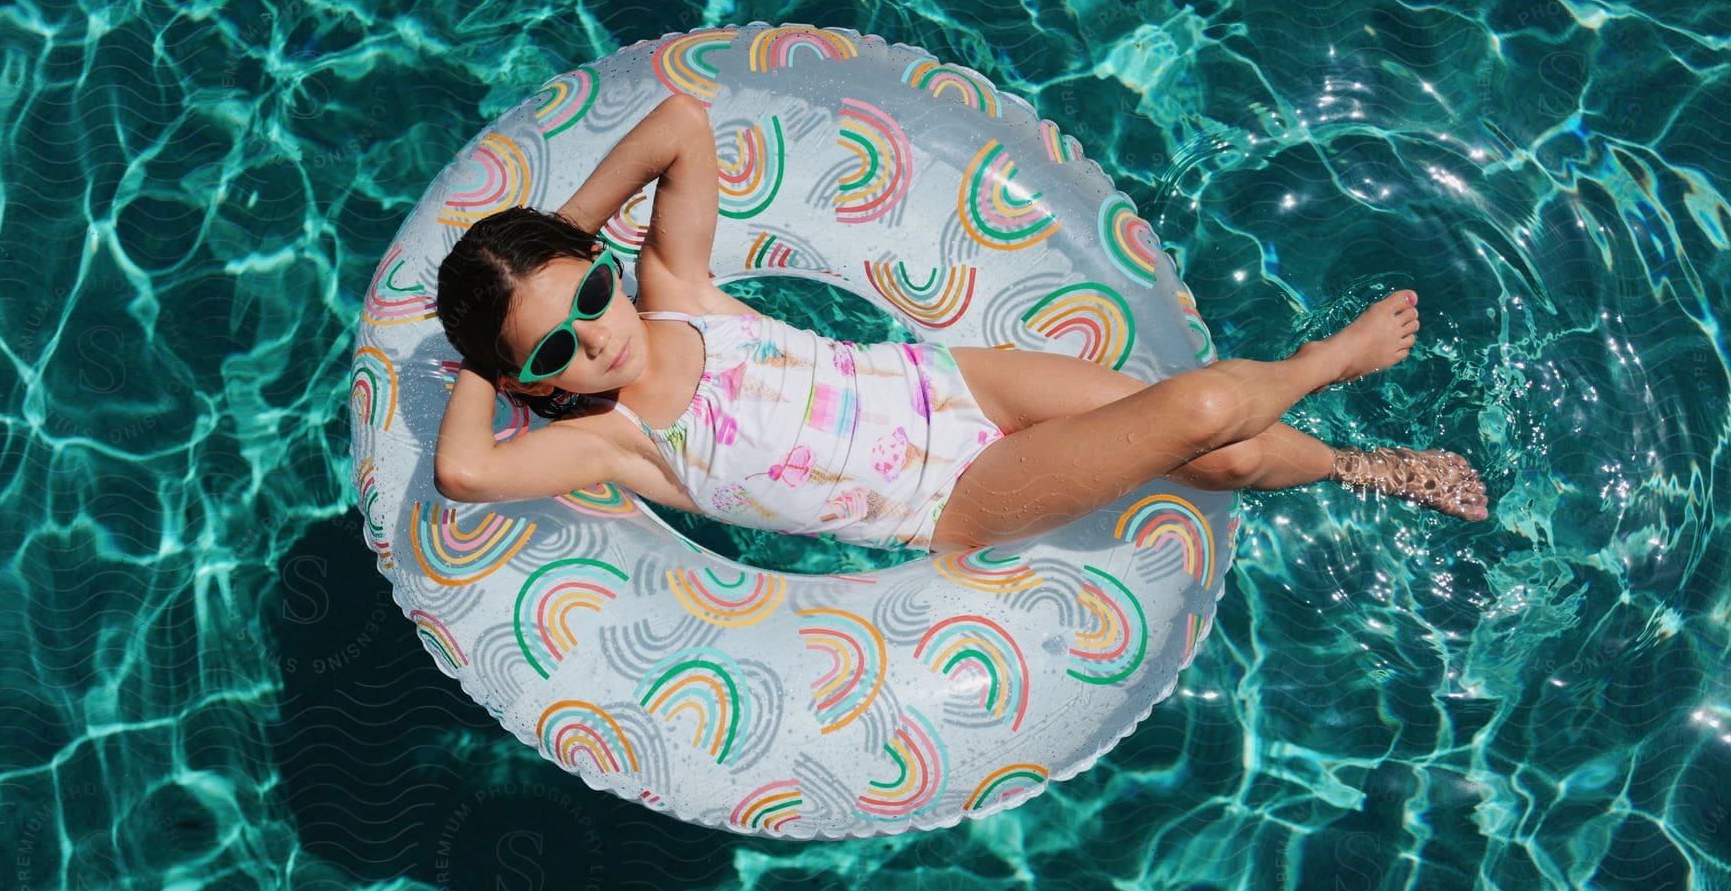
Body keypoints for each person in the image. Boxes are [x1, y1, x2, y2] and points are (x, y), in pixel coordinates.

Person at [432, 94, 1488, 555]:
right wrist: (495, 362)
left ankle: (1361, 467)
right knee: (1208, 405)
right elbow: (467, 473)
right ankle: (1324, 362)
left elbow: (682, 123)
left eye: (589, 297)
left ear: (608, 267)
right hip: (954, 499)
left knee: (1232, 459)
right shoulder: (614, 440)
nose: (595, 336)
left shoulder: (677, 289)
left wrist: (548, 242)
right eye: (559, 348)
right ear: (538, 383)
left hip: (953, 384)